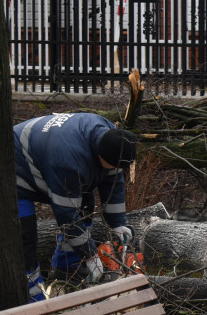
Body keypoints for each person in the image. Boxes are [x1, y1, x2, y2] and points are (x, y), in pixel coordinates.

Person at [15, 112, 138, 302]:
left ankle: (67, 273)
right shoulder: (67, 161)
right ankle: (33, 301)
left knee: (85, 204)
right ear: (99, 154)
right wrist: (90, 256)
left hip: (49, 156)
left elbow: (112, 183)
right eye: (112, 165)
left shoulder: (112, 137)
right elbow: (67, 215)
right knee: (24, 238)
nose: (114, 170)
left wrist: (117, 224)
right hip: (14, 170)